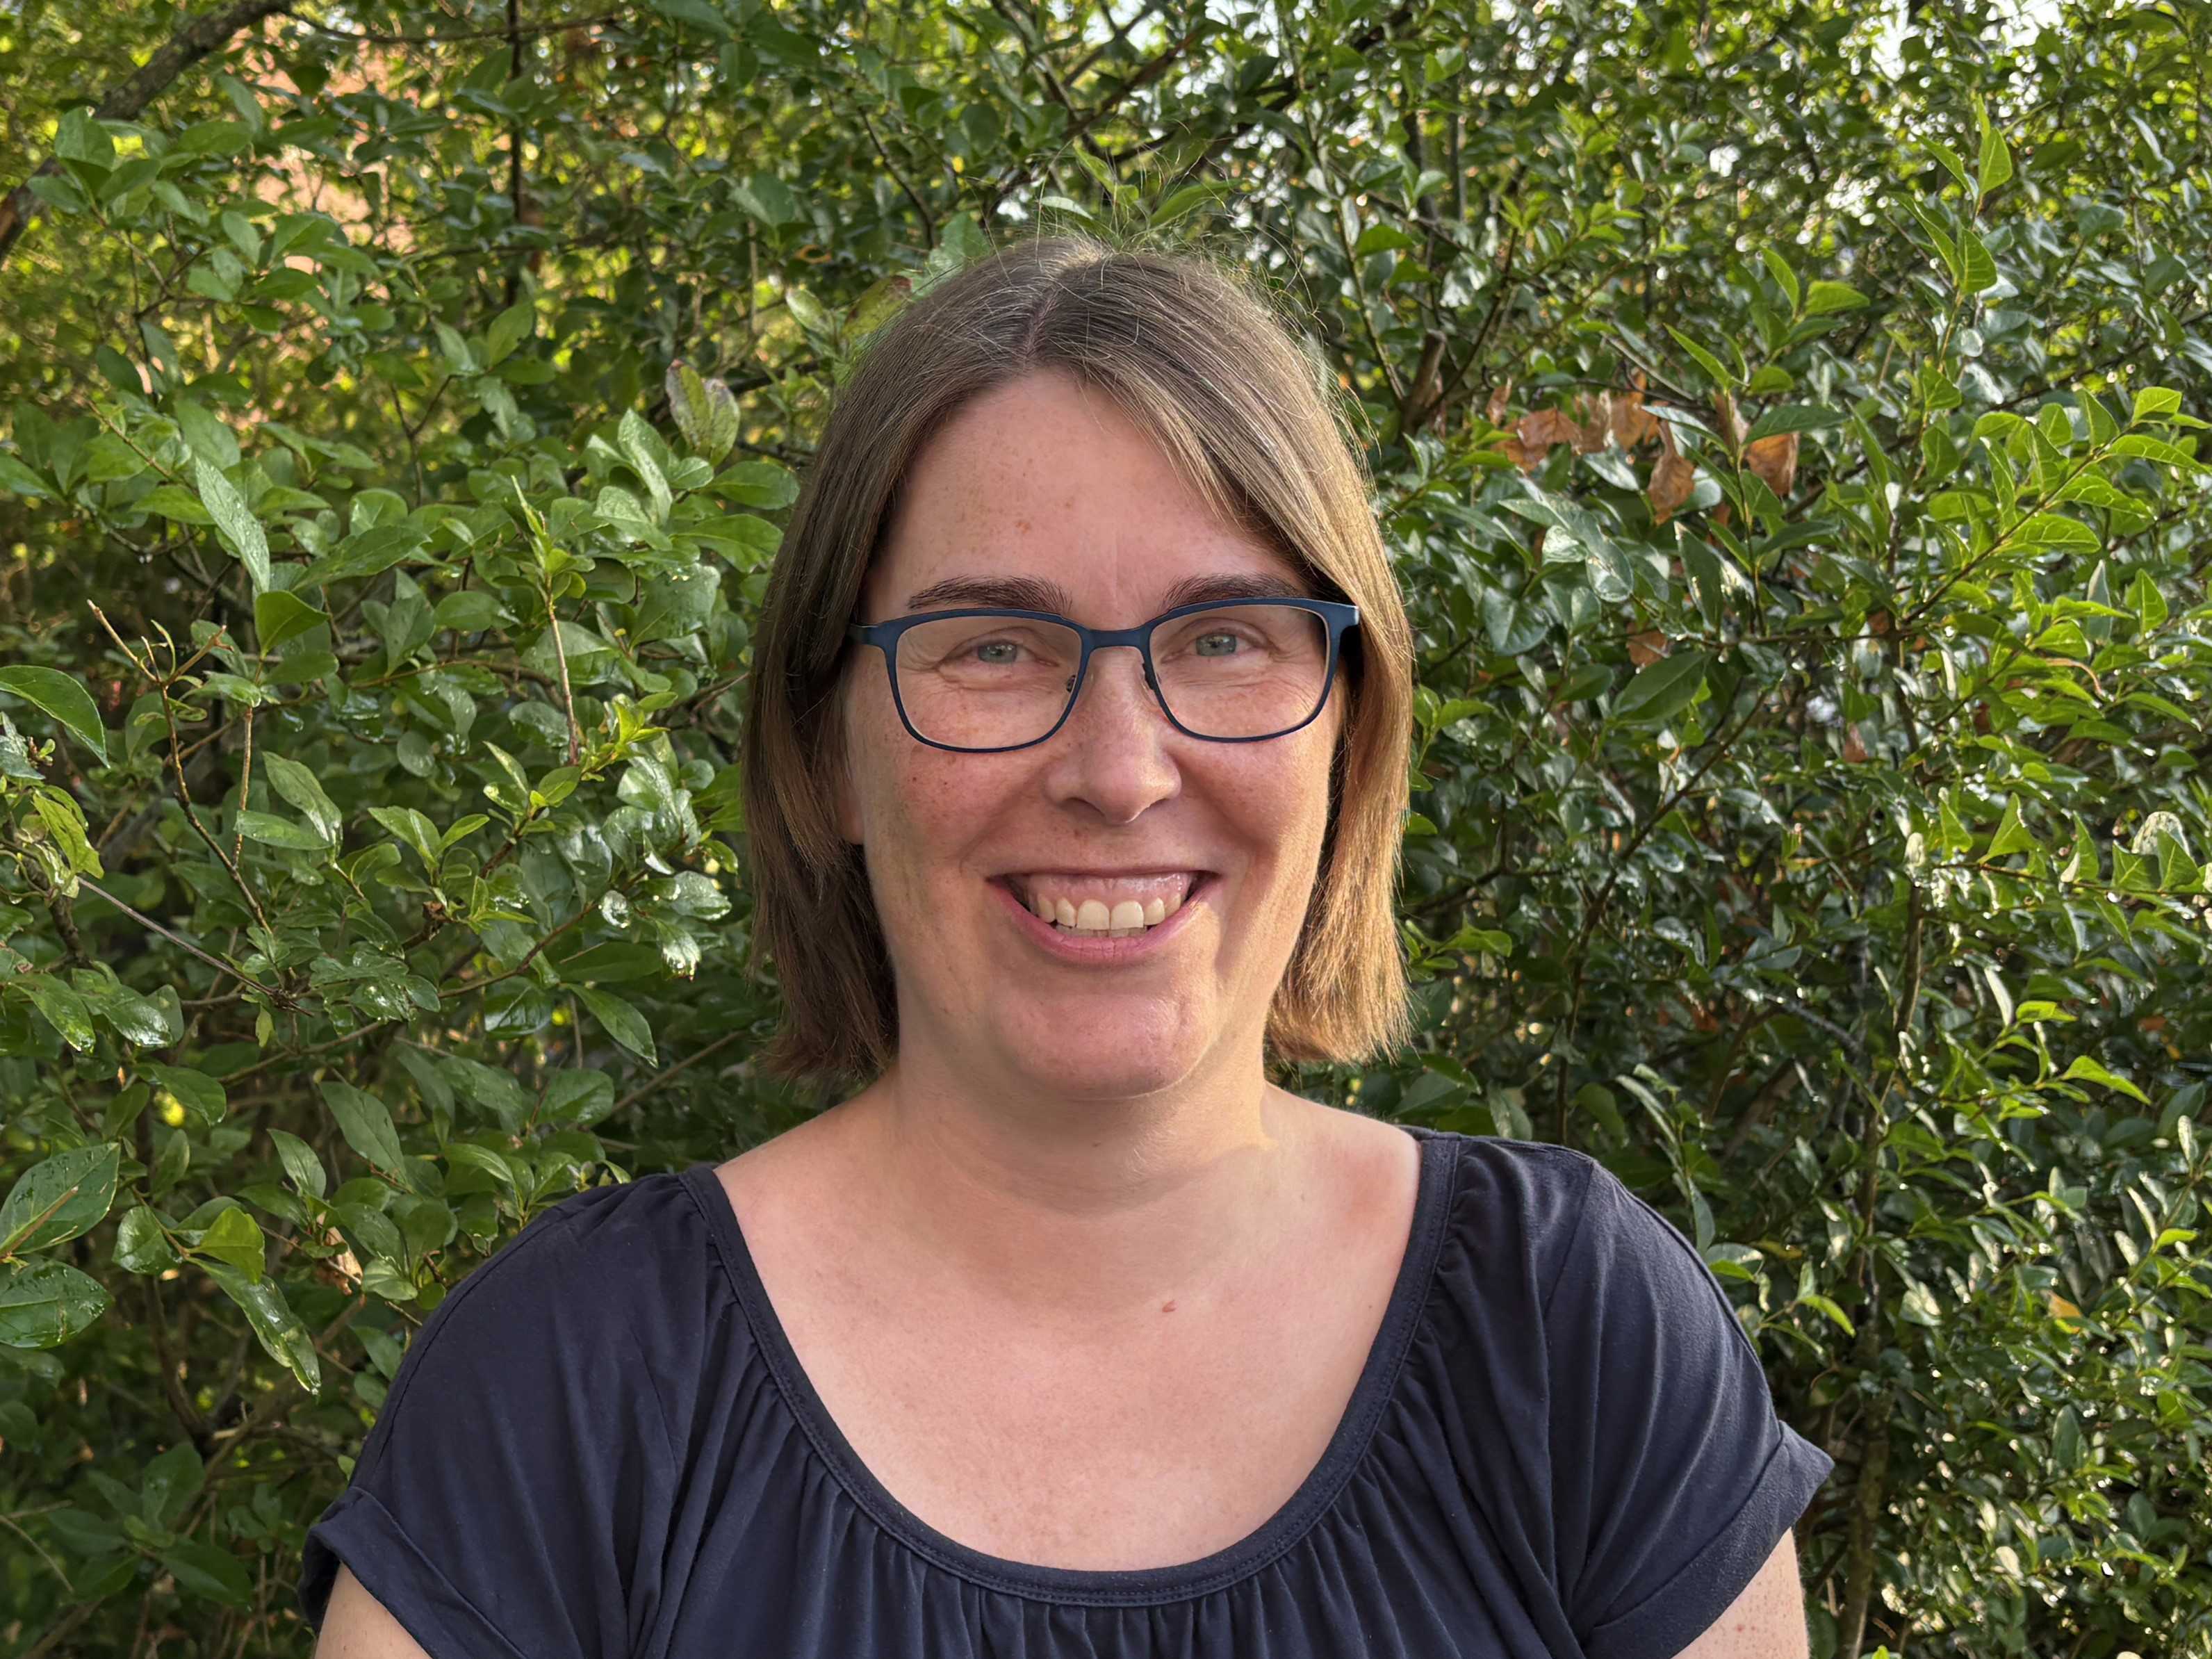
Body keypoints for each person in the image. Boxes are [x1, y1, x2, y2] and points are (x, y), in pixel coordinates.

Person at [298, 231, 1833, 1658]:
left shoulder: (1570, 1335)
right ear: (829, 755)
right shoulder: (566, 1384)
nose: (1119, 770)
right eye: (992, 647)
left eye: (1222, 639)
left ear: (1347, 735)